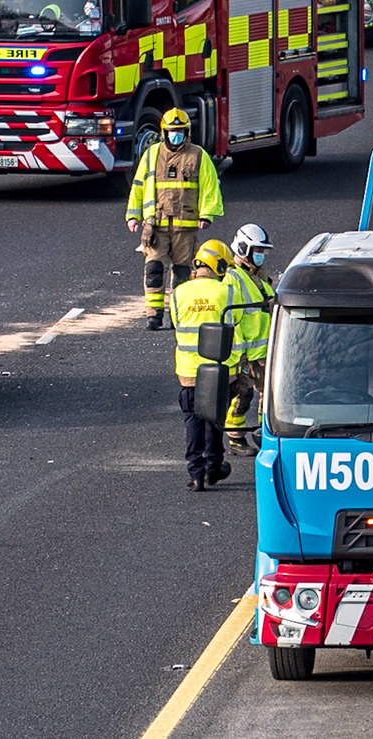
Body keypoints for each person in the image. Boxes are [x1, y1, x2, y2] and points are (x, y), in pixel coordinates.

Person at [126, 108, 223, 330]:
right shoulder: (151, 155)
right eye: (172, 132)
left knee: (182, 274)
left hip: (185, 228)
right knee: (154, 271)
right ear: (164, 132)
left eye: (180, 132)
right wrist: (133, 216)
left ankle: (179, 315)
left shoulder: (198, 155)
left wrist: (207, 215)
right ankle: (153, 315)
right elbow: (138, 186)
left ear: (187, 132)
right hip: (156, 227)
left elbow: (210, 187)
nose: (176, 136)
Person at [173, 240, 238, 491]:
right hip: (221, 370)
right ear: (219, 265)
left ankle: (196, 474)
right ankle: (214, 467)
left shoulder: (179, 292)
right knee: (214, 421)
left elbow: (177, 324)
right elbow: (238, 320)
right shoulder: (227, 291)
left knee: (193, 421)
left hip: (189, 372)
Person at [222, 223, 276, 455]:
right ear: (243, 249)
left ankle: (265, 435)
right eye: (258, 251)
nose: (261, 255)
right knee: (243, 395)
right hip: (249, 353)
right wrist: (240, 354)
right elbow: (233, 318)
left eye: (263, 251)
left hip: (266, 349)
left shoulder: (257, 277)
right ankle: (236, 439)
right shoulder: (233, 278)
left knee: (270, 396)